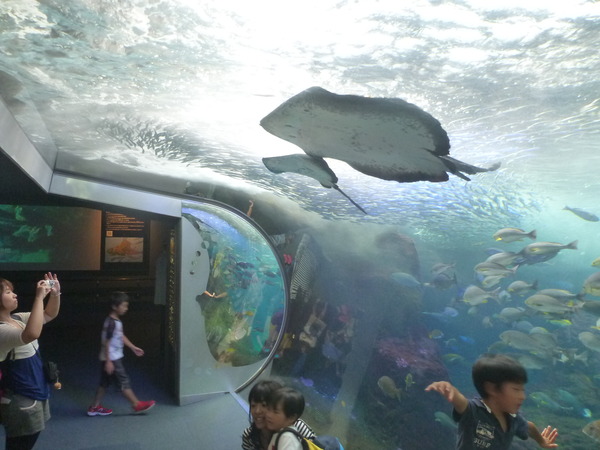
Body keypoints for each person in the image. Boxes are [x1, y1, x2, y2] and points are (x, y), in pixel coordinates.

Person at [425, 353, 559, 450]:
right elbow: (461, 402)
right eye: (516, 389)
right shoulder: (474, 411)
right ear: (491, 388)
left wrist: (542, 441)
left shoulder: (513, 419)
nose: (522, 396)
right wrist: (450, 390)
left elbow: (529, 427)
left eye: (522, 390)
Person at [0, 273, 62, 450]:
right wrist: (39, 296)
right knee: (19, 445)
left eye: (13, 291)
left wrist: (55, 294)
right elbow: (32, 334)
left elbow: (49, 314)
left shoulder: (18, 318)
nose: (14, 295)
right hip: (20, 398)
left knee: (28, 441)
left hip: (36, 390)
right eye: (7, 292)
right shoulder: (1, 330)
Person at [87, 291, 155, 416]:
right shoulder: (112, 323)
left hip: (109, 357)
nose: (126, 308)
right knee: (123, 381)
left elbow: (120, 336)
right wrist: (108, 361)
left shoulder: (114, 321)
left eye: (126, 306)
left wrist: (133, 347)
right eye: (123, 306)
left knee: (104, 383)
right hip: (112, 358)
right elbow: (106, 342)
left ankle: (94, 407)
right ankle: (136, 404)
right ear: (114, 306)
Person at [242, 380, 315, 450]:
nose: (257, 411)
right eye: (253, 405)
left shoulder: (297, 426)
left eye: (264, 405)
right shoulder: (249, 436)